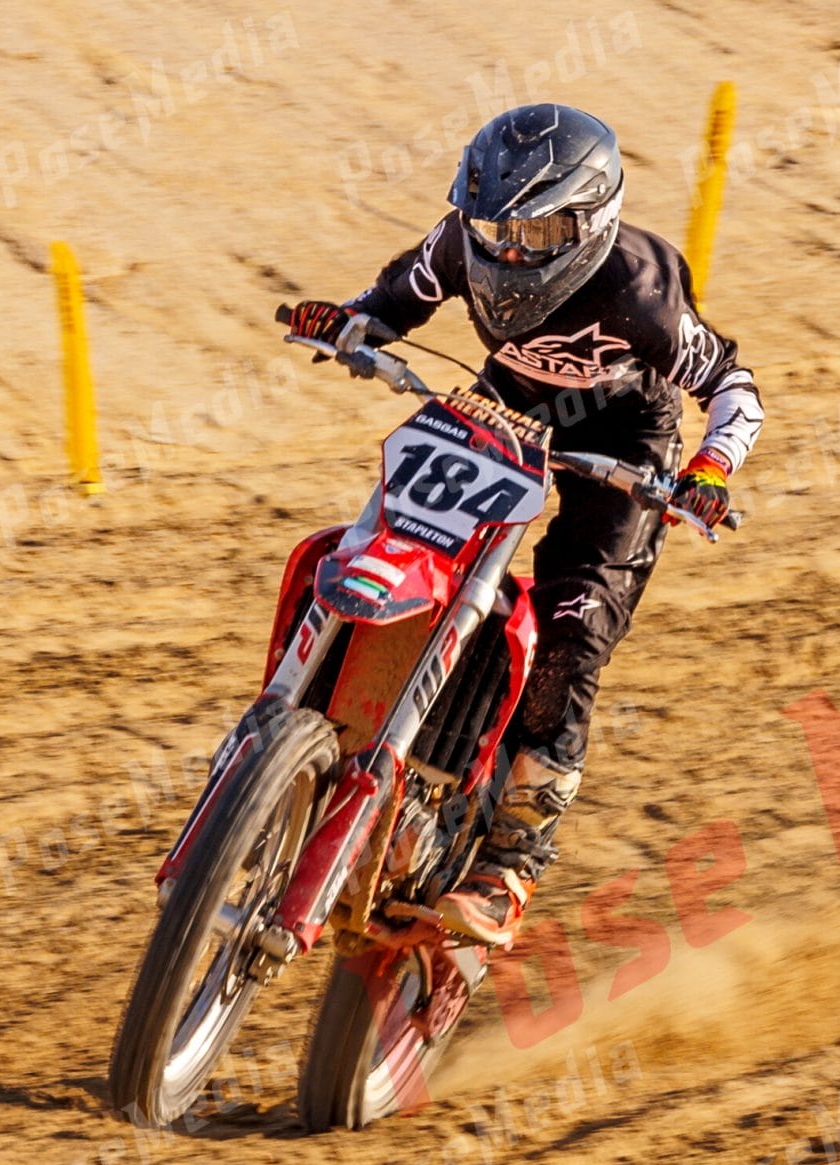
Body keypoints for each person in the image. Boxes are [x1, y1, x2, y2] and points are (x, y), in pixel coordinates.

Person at [285, 103, 764, 947]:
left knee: (574, 631)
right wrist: (348, 325)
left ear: (590, 222)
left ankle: (512, 861)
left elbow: (732, 385)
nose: (508, 251)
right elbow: (387, 305)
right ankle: (323, 739)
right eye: (494, 227)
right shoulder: (456, 246)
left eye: (536, 233)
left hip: (624, 445)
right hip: (502, 413)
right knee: (401, 550)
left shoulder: (642, 294)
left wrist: (710, 470)